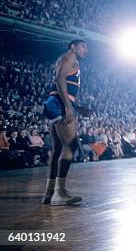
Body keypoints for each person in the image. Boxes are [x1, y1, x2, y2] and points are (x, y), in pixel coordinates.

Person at [41, 39, 89, 205]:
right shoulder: (70, 57)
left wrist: (77, 106)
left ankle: (50, 192)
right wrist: (68, 106)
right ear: (73, 47)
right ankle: (59, 193)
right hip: (60, 103)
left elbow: (64, 82)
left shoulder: (69, 59)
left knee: (57, 150)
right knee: (72, 145)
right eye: (83, 46)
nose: (86, 50)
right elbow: (60, 79)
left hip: (56, 101)